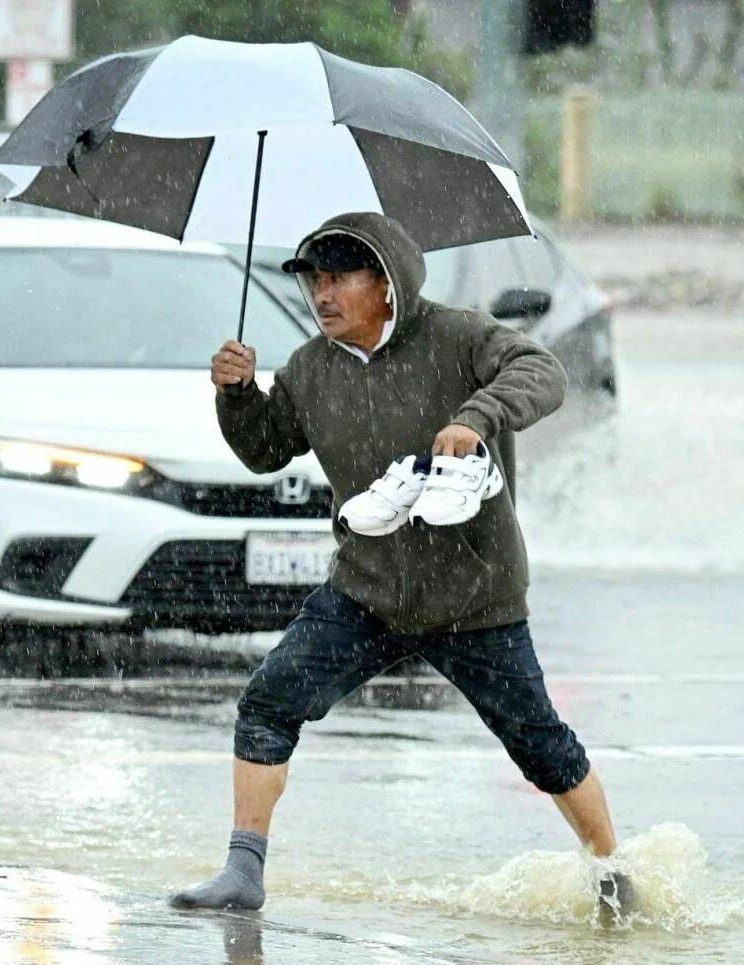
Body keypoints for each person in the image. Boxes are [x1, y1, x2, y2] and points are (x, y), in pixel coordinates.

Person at [168, 212, 632, 920]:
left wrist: (475, 418)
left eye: (338, 280)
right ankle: (241, 873)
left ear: (385, 284)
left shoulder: (458, 336)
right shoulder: (308, 369)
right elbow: (265, 448)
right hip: (367, 591)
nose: (321, 296)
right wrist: (236, 395)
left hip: (474, 595)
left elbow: (544, 373)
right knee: (268, 702)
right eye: (313, 282)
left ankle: (611, 873)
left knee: (540, 745)